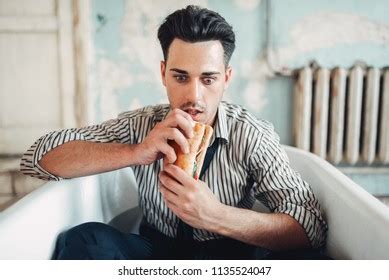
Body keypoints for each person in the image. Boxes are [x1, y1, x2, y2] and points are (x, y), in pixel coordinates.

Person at [20, 5, 328, 260]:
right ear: (163, 73)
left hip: (230, 260)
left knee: (310, 262)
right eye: (181, 77)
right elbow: (37, 158)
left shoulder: (251, 135)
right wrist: (135, 152)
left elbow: (311, 226)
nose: (194, 97)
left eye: (208, 79)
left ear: (226, 78)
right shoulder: (141, 125)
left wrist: (215, 215)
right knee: (84, 240)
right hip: (155, 253)